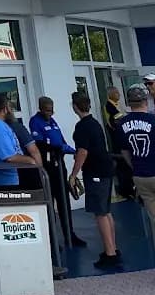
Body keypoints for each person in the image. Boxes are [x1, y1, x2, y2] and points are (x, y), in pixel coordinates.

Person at [69, 91, 120, 269]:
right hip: (105, 169)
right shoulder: (95, 123)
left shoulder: (82, 127)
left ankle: (110, 253)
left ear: (75, 106)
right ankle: (113, 248)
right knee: (106, 211)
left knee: (100, 213)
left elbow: (82, 152)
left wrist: (74, 174)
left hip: (96, 172)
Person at [29, 96, 85, 247]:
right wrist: (57, 148)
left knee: (64, 201)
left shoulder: (52, 121)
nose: (51, 113)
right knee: (50, 201)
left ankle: (70, 234)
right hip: (48, 167)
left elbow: (60, 140)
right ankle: (51, 239)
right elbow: (40, 144)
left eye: (52, 109)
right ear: (40, 108)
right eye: (47, 110)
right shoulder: (35, 121)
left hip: (59, 165)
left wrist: (70, 150)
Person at [117, 85, 155, 227]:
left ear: (129, 103)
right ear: (146, 101)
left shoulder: (122, 123)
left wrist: (134, 166)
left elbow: (124, 151)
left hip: (140, 175)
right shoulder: (153, 120)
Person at [0, 92, 32, 186]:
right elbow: (10, 157)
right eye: (10, 108)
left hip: (4, 177)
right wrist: (31, 161)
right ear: (5, 109)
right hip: (4, 181)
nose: (12, 111)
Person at [104, 87, 136, 199]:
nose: (119, 94)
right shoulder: (109, 106)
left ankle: (130, 189)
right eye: (116, 93)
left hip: (123, 138)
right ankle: (125, 190)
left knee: (127, 166)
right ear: (111, 94)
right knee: (122, 165)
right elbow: (117, 120)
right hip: (117, 140)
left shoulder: (118, 105)